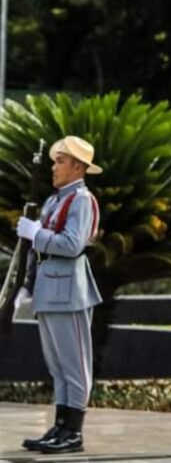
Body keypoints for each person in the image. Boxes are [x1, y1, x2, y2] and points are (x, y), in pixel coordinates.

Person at [15, 136, 104, 454]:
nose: (54, 167)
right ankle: (61, 425)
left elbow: (71, 245)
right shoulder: (54, 201)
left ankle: (74, 432)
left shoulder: (81, 200)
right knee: (58, 366)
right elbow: (40, 250)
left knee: (76, 365)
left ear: (78, 167)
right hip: (48, 289)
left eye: (61, 161)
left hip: (70, 291)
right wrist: (27, 283)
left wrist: (37, 234)